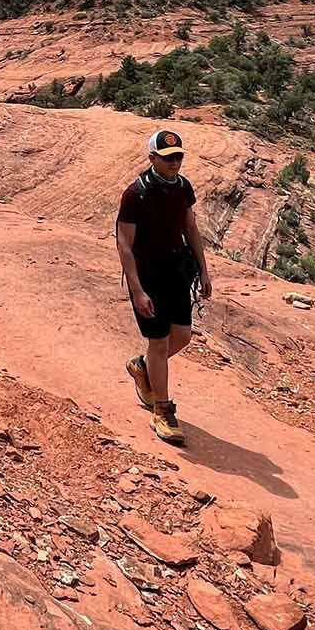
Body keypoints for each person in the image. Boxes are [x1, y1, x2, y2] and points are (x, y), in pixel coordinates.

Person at [115, 128, 213, 446]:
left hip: (175, 271)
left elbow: (190, 226)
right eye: (168, 158)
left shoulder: (182, 187)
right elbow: (124, 244)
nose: (175, 163)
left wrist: (204, 270)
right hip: (148, 274)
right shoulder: (136, 193)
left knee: (182, 336)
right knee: (158, 342)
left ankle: (143, 367)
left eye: (178, 157)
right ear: (152, 158)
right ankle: (162, 409)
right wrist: (137, 289)